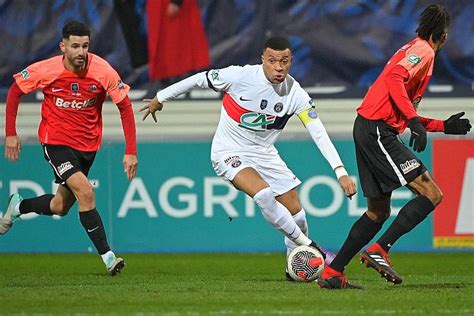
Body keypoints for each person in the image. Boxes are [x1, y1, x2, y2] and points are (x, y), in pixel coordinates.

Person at [140, 36, 357, 279]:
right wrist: (160, 98)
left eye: (284, 61)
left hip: (265, 154)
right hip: (228, 150)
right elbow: (200, 79)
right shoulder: (240, 76)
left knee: (298, 215)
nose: (278, 67)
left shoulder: (295, 93)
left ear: (291, 61)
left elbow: (318, 132)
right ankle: (315, 249)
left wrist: (340, 171)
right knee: (263, 194)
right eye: (272, 61)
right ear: (262, 60)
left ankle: (292, 265)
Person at [318, 4, 471, 289]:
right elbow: (393, 79)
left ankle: (332, 273)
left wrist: (442, 126)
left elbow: (401, 106)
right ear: (445, 36)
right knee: (432, 193)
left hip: (369, 127)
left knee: (378, 213)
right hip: (377, 130)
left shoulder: (414, 48)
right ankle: (380, 249)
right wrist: (412, 120)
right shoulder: (424, 51)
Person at [1, 21, 138, 276]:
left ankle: (18, 207)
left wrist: (131, 150)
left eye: (85, 46)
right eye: (75, 46)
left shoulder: (103, 71)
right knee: (85, 192)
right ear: (63, 46)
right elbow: (15, 91)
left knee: (59, 207)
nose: (80, 52)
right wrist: (11, 133)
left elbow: (125, 107)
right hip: (56, 142)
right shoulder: (46, 69)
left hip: (88, 146)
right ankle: (108, 257)